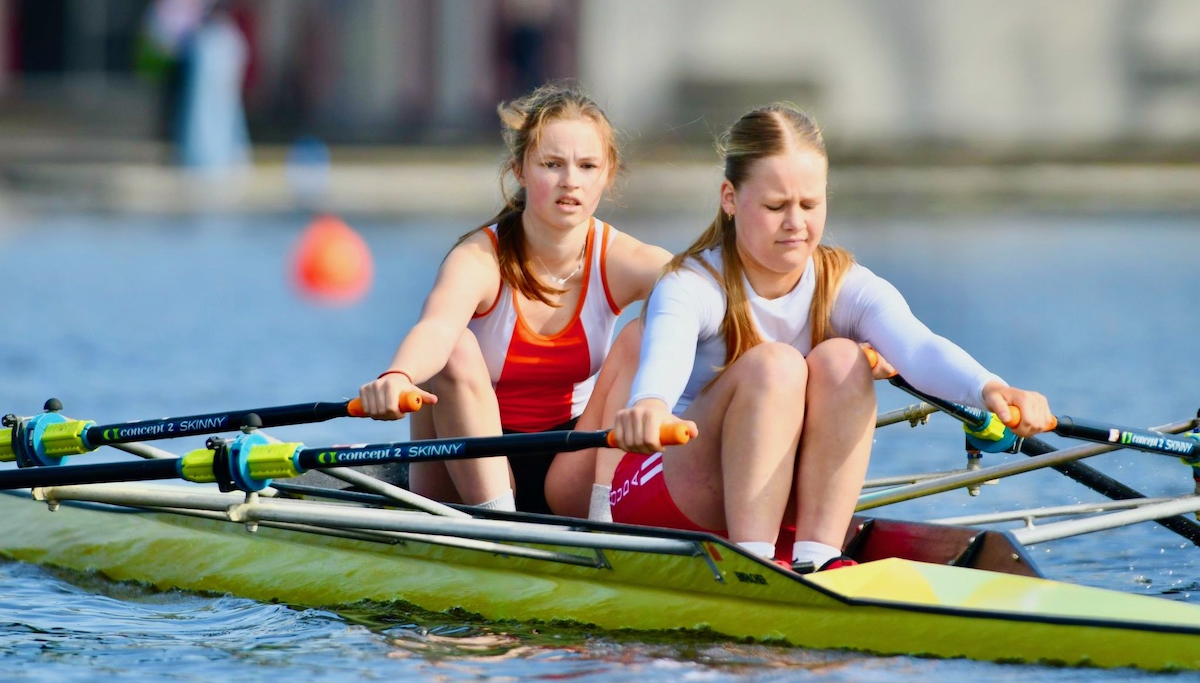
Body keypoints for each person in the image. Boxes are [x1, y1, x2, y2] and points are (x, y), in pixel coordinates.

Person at [608, 103, 1054, 573]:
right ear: (730, 198)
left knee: (844, 358)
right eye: (775, 206)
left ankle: (818, 559)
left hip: (774, 495)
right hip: (663, 493)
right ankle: (754, 562)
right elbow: (667, 353)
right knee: (776, 365)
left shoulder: (843, 283)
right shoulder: (692, 284)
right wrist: (651, 404)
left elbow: (918, 348)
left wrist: (991, 388)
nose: (795, 223)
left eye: (810, 205)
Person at [357, 83, 670, 515]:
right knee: (455, 348)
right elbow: (437, 329)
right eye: (552, 164)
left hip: (570, 468)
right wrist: (398, 375)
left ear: (607, 174)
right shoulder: (479, 259)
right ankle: (500, 523)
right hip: (464, 466)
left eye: (587, 166)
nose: (570, 181)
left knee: (645, 333)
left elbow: (714, 296)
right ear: (520, 170)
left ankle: (606, 520)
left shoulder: (625, 260)